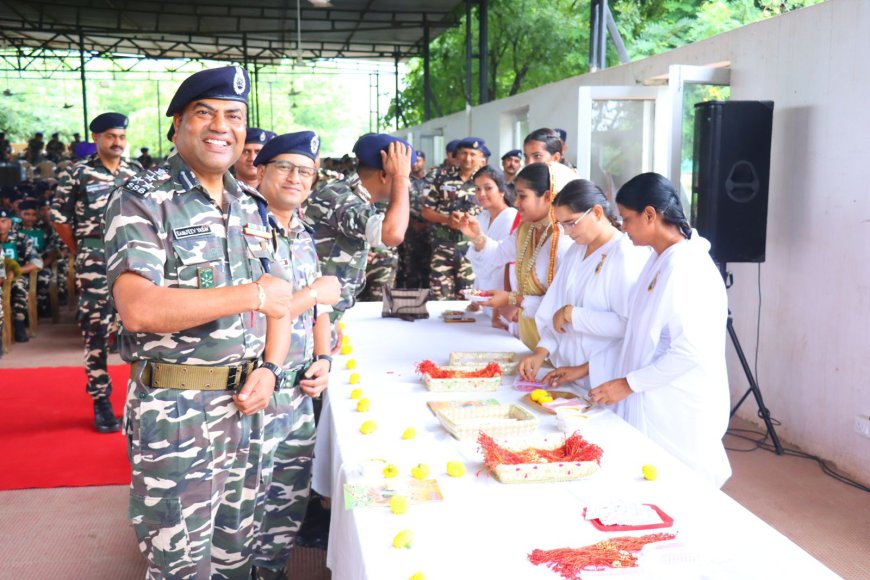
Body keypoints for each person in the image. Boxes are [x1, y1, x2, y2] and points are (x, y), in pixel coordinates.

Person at [105, 65, 328, 578]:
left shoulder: (251, 205)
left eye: (233, 115)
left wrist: (271, 369)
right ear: (177, 123)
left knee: (238, 555)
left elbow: (278, 300)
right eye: (204, 113)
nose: (220, 126)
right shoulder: (144, 197)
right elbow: (138, 307)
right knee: (182, 566)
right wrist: (247, 295)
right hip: (178, 414)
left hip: (249, 407)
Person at [588, 172, 731, 488]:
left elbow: (690, 351)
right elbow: (638, 334)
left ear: (650, 215)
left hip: (676, 401)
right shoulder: (660, 258)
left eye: (626, 219)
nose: (622, 228)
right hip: (651, 393)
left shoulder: (689, 267)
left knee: (678, 485)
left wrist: (629, 383)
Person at [249, 131, 341, 579]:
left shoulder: (302, 231)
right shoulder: (243, 228)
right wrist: (312, 294)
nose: (295, 177)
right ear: (260, 171)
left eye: (305, 171)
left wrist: (324, 358)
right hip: (255, 390)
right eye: (285, 167)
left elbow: (320, 310)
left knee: (286, 507)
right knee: (243, 510)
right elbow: (255, 309)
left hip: (298, 392)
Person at [51, 112, 143, 433]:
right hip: (94, 258)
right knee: (96, 330)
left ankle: (139, 398)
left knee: (139, 326)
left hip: (133, 259)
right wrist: (81, 249)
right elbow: (58, 217)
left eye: (121, 137)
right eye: (110, 137)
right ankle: (101, 400)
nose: (117, 143)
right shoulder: (77, 173)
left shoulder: (135, 172)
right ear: (97, 139)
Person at [518, 180, 649, 388]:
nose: (568, 232)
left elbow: (628, 324)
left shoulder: (624, 253)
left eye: (572, 223)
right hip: (566, 371)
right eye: (562, 225)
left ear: (597, 212)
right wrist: (541, 352)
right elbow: (554, 310)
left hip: (604, 377)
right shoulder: (575, 251)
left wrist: (574, 315)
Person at [460, 163, 574, 349]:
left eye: (523, 196)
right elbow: (499, 254)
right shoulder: (526, 229)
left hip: (558, 342)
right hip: (529, 336)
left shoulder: (564, 240)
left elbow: (562, 305)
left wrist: (512, 299)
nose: (516, 203)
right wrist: (477, 236)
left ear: (547, 196)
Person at [303, 133, 413, 321]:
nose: (408, 184)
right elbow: (393, 234)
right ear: (385, 174)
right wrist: (401, 177)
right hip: (312, 316)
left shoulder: (351, 195)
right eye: (406, 177)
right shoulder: (340, 197)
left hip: (323, 314)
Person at [421, 137, 485, 300]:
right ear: (456, 155)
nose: (468, 158)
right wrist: (447, 219)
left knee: (470, 300)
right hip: (443, 248)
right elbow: (426, 211)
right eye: (464, 153)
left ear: (480, 157)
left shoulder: (486, 182)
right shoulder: (442, 178)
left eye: (473, 154)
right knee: (439, 299)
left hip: (472, 249)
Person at [466, 166, 517, 327]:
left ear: (501, 190)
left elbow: (506, 266)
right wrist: (476, 297)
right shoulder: (482, 217)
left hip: (503, 306)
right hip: (486, 301)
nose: (481, 194)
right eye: (477, 189)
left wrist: (498, 311)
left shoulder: (511, 218)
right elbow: (477, 260)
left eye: (488, 188)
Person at [1, 207, 43, 342]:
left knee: (19, 287)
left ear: (10, 222)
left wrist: (15, 272)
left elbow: (36, 263)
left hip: (17, 276)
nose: (0, 225)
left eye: (3, 221)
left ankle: (19, 323)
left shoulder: (22, 238)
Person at [16, 198, 60, 317]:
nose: (30, 218)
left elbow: (52, 254)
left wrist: (40, 266)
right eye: (27, 214)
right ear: (19, 213)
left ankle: (42, 309)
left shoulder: (44, 229)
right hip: (20, 265)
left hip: (41, 264)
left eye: (33, 214)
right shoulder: (14, 230)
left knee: (45, 277)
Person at [398, 151, 432, 289]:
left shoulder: (432, 180)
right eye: (412, 161)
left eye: (418, 160)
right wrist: (413, 223)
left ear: (424, 161)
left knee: (428, 266)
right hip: (409, 229)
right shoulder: (404, 181)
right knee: (410, 266)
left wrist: (426, 224)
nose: (415, 164)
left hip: (429, 229)